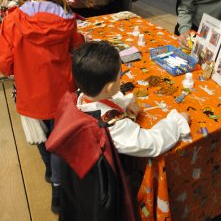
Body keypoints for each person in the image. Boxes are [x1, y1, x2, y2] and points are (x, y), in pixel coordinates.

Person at [45, 41, 190, 220]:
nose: (121, 78)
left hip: (79, 184)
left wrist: (124, 103)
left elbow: (100, 102)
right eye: (119, 75)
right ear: (110, 87)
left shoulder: (78, 99)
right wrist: (176, 121)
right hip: (112, 189)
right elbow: (153, 142)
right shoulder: (113, 125)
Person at [0, 0, 84, 214]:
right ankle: (59, 190)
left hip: (30, 94)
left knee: (41, 137)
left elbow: (4, 63)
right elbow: (77, 50)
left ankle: (49, 170)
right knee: (60, 140)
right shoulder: (68, 20)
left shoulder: (13, 20)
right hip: (62, 95)